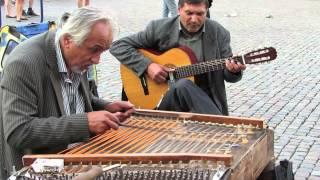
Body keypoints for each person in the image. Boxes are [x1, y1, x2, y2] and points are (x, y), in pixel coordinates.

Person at [0, 7, 135, 179]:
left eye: (102, 51)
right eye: (94, 49)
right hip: (39, 168)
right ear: (67, 41)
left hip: (80, 155)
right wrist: (84, 124)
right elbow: (18, 131)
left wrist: (106, 106)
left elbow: (72, 100)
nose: (97, 60)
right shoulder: (24, 63)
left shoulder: (78, 58)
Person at [110, 0, 246, 115]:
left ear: (207, 11)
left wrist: (234, 70)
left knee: (184, 86)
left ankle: (218, 126)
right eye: (189, 13)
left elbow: (228, 76)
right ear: (179, 9)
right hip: (165, 104)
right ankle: (223, 129)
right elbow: (118, 46)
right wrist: (147, 66)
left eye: (200, 14)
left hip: (206, 101)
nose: (194, 19)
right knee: (183, 85)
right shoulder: (159, 28)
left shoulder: (219, 33)